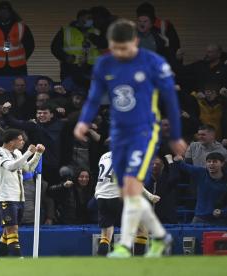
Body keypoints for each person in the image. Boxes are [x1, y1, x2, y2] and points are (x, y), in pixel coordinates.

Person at [74, 19, 186, 258]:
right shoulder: (105, 63)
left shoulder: (154, 63)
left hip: (143, 132)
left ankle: (125, 246)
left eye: (123, 49)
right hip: (119, 133)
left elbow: (171, 101)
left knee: (131, 189)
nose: (119, 54)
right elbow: (94, 97)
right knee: (127, 191)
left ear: (135, 41)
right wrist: (84, 121)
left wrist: (175, 136)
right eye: (115, 48)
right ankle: (161, 237)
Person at [93, 152, 160, 256]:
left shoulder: (103, 156)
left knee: (106, 235)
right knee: (142, 228)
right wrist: (150, 196)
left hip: (101, 197)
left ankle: (100, 266)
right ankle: (138, 263)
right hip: (117, 196)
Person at [0, 129, 44, 257]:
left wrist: (37, 154)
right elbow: (11, 167)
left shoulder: (18, 153)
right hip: (6, 197)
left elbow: (28, 168)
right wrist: (28, 153)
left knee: (7, 232)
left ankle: (0, 259)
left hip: (19, 198)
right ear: (11, 141)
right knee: (13, 231)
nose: (23, 142)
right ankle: (19, 260)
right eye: (20, 139)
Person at [0, 1, 34, 76]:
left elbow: (30, 45)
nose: (4, 12)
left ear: (11, 12)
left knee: (19, 86)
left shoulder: (22, 27)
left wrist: (23, 58)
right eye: (1, 10)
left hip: (18, 67)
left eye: (6, 10)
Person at [174, 153, 227, 225]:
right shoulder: (201, 172)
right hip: (200, 219)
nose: (211, 164)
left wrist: (222, 212)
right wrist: (178, 159)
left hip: (220, 220)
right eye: (209, 161)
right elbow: (184, 167)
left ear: (222, 163)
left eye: (215, 161)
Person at [51, 9, 101, 81]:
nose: (91, 20)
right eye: (89, 18)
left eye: (92, 18)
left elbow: (104, 47)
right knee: (70, 90)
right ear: (81, 19)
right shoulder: (66, 31)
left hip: (92, 68)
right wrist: (65, 56)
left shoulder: (96, 32)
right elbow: (55, 48)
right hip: (71, 68)